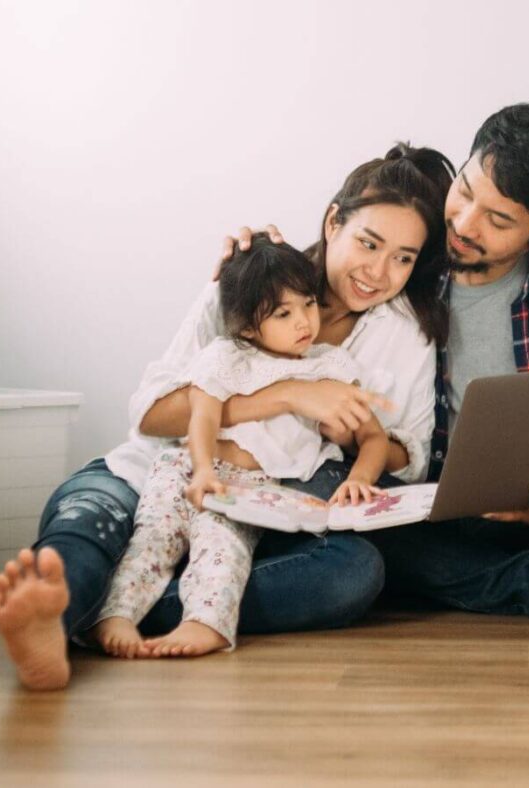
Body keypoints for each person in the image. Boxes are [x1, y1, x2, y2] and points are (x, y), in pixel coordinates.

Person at [0, 143, 453, 690]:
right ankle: (56, 614)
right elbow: (153, 416)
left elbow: (410, 456)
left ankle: (118, 613)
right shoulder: (246, 282)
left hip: (260, 509)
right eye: (368, 243)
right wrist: (287, 396)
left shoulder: (404, 333)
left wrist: (350, 441)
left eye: (403, 257)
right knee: (90, 521)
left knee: (353, 573)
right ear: (333, 222)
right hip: (163, 472)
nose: (378, 271)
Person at [251, 103, 529, 633]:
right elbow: (325, 272)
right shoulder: (410, 256)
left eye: (498, 220)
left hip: (525, 518)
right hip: (413, 507)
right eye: (465, 191)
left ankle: (465, 578)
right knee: (364, 534)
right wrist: (252, 259)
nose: (464, 226)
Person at [92, 237, 393, 659]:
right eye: (283, 314)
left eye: (308, 304)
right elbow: (203, 414)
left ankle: (204, 624)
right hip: (187, 469)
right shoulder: (227, 356)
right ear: (250, 325)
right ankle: (115, 615)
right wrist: (201, 469)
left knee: (224, 551)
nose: (304, 321)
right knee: (154, 539)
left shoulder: (329, 367)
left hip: (249, 489)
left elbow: (373, 437)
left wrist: (360, 479)